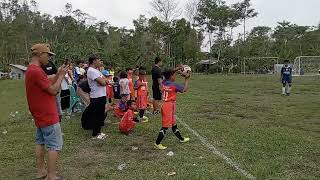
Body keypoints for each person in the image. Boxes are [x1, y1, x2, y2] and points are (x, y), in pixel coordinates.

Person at [25, 43, 68, 180]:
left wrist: (57, 74)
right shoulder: (37, 71)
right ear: (39, 54)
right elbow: (53, 90)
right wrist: (61, 75)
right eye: (47, 55)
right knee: (54, 145)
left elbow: (47, 80)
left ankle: (40, 171)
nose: (48, 58)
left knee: (40, 141)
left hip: (39, 113)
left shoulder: (32, 69)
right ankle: (51, 176)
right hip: (47, 113)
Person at [154, 68, 191, 150]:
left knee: (174, 124)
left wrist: (177, 71)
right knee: (165, 126)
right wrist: (186, 79)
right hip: (169, 106)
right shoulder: (174, 85)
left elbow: (166, 75)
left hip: (166, 105)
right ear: (171, 76)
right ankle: (157, 143)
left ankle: (181, 139)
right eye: (174, 75)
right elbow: (184, 89)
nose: (175, 77)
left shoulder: (164, 82)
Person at [81, 54, 108, 139]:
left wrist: (105, 80)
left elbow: (105, 79)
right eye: (99, 60)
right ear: (94, 61)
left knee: (100, 114)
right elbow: (103, 82)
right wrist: (105, 81)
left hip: (101, 95)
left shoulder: (97, 71)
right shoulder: (91, 71)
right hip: (96, 96)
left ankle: (98, 131)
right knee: (97, 114)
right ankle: (95, 133)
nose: (100, 62)